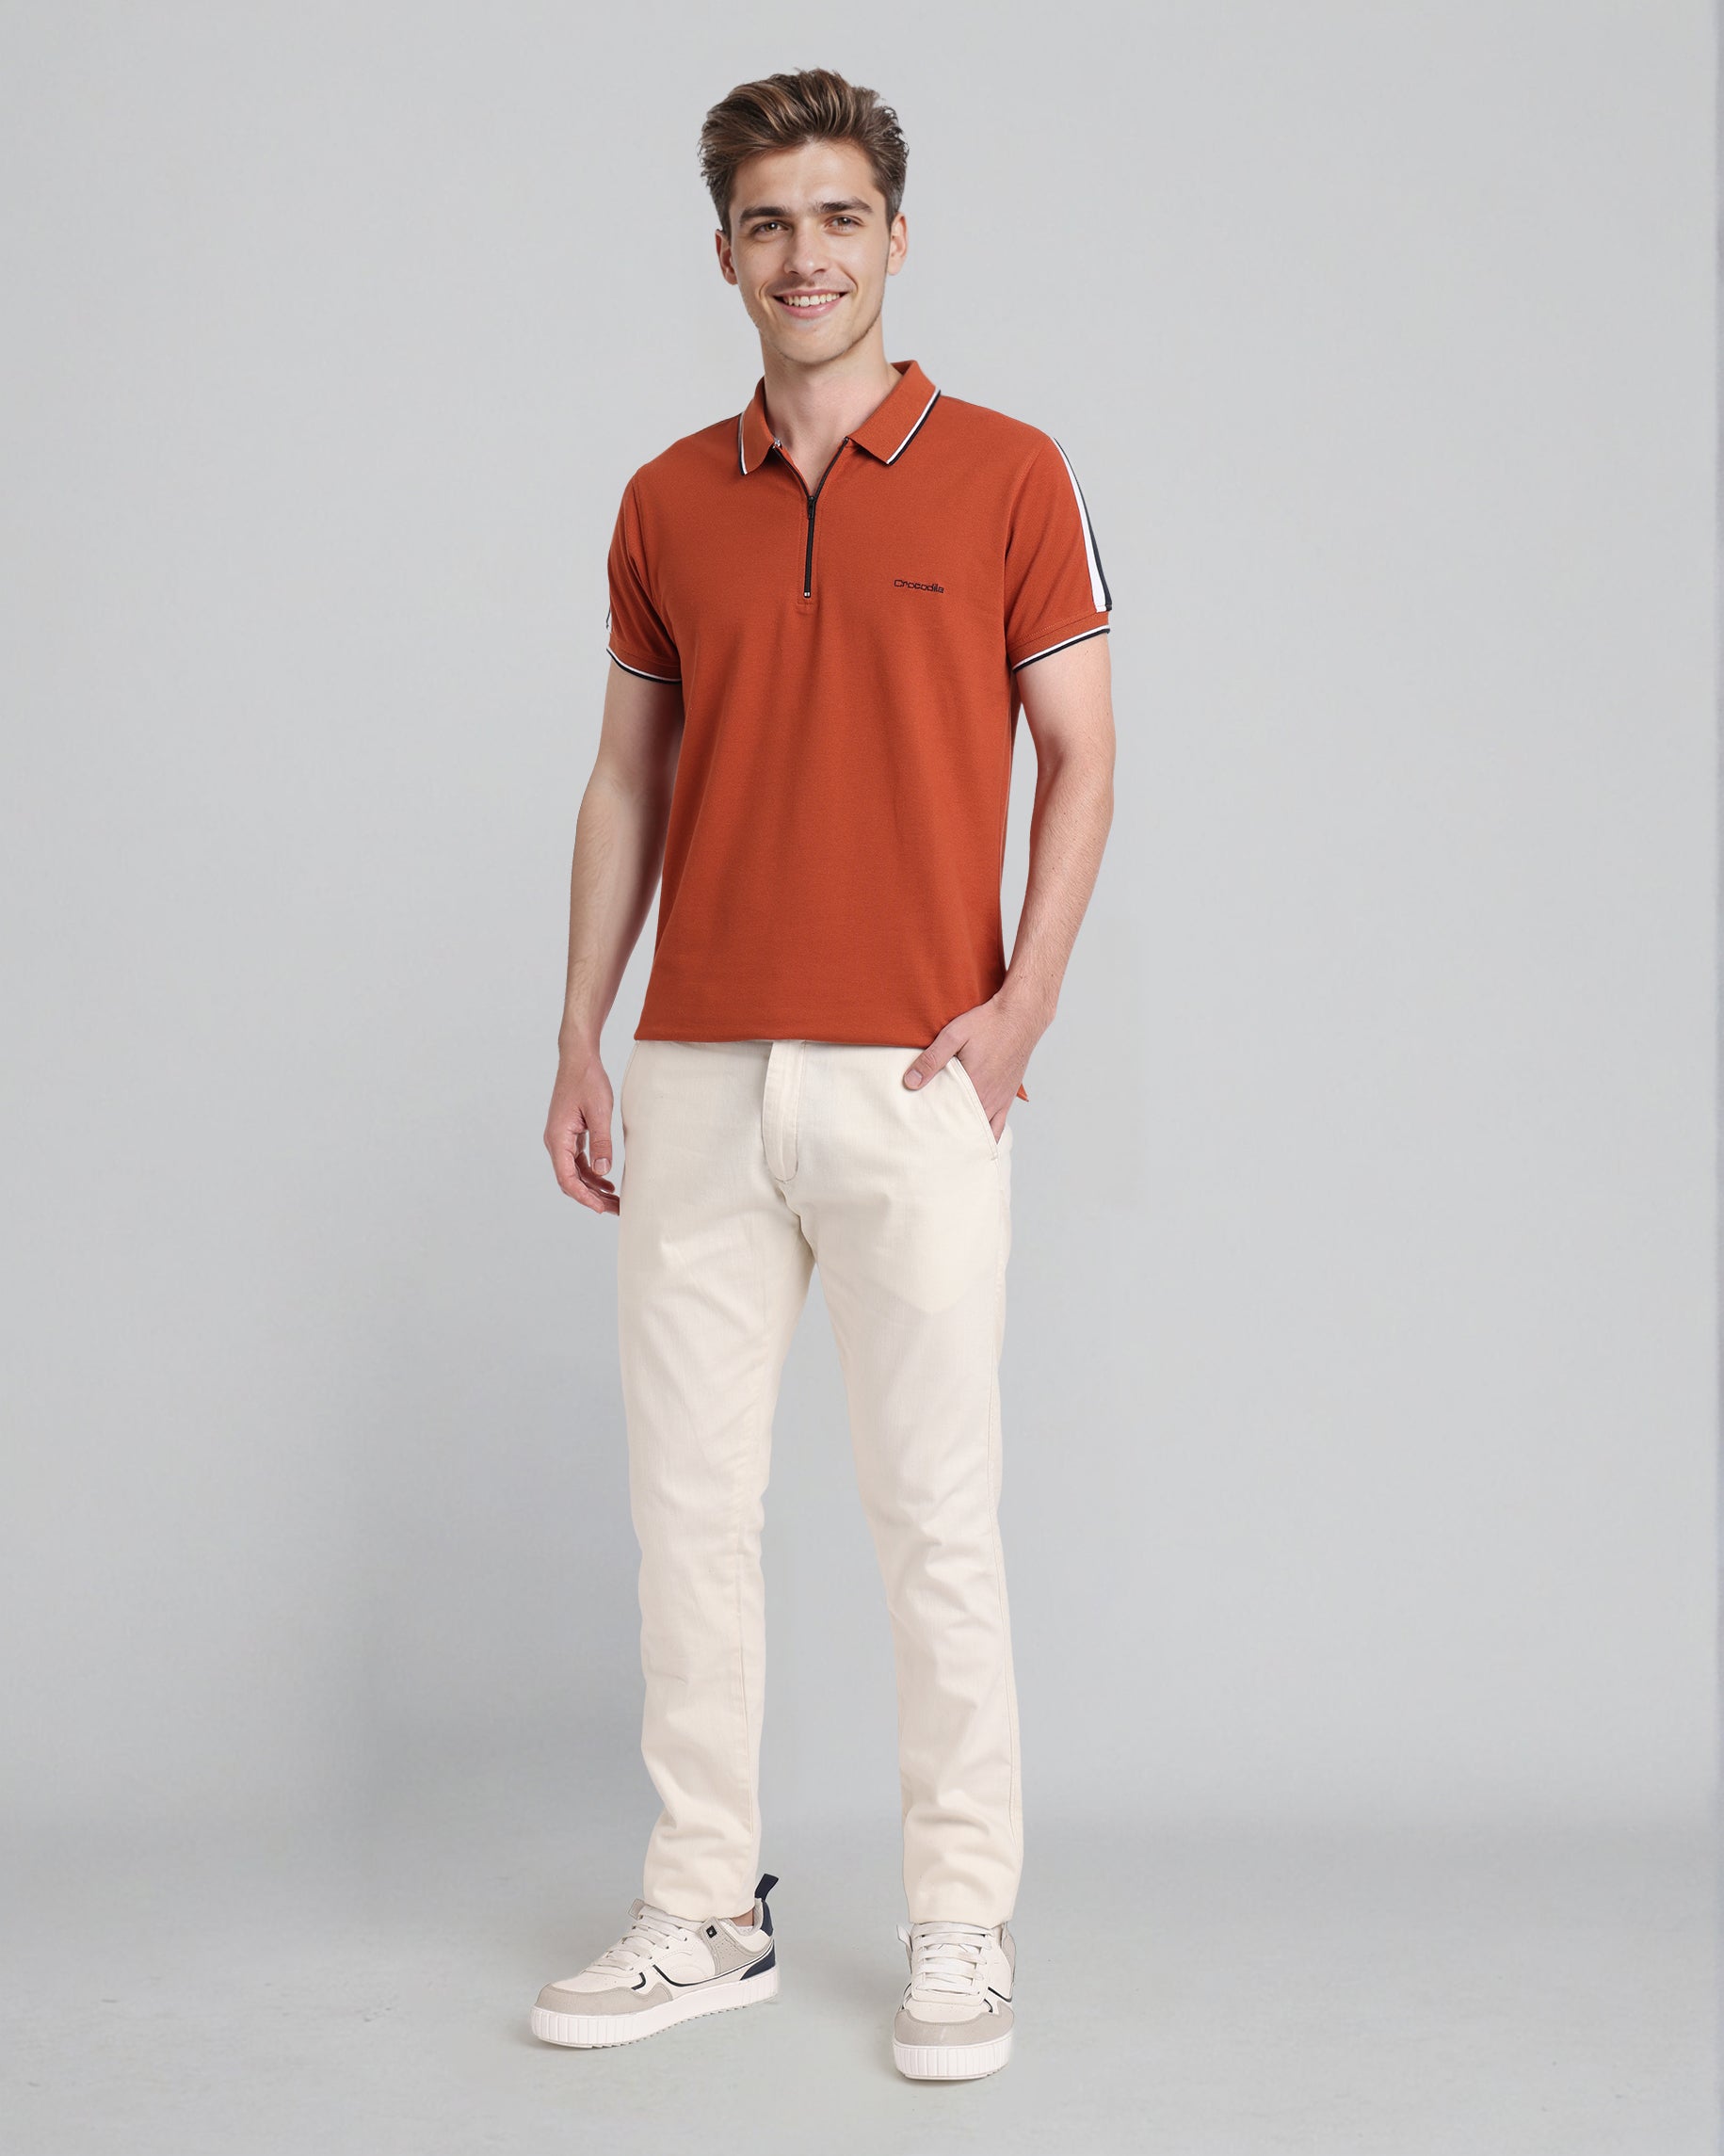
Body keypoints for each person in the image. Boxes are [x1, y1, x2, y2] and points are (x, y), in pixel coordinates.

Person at [530, 66, 1115, 2082]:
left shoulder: (1013, 475)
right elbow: (627, 777)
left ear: (895, 238)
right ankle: (704, 1904)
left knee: (932, 1512)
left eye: (840, 216)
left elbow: (1084, 757)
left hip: (916, 1078)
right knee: (686, 1510)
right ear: (724, 253)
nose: (807, 255)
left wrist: (1019, 1012)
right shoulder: (661, 500)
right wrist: (578, 1031)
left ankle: (963, 1920)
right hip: (697, 1066)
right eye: (770, 222)